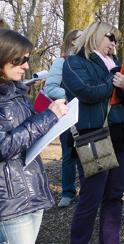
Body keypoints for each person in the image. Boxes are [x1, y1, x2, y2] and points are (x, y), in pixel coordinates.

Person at [62, 22, 124, 244]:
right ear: (95, 35)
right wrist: (113, 80)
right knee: (91, 198)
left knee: (115, 195)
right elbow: (87, 92)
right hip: (93, 136)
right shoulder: (75, 62)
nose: (114, 43)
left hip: (120, 134)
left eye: (117, 40)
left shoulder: (116, 63)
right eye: (110, 37)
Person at [0, 29, 68, 243]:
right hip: (10, 202)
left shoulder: (17, 92)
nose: (27, 66)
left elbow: (27, 133)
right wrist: (49, 117)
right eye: (20, 59)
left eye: (27, 59)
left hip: (32, 193)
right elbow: (3, 146)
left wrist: (55, 119)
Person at [43, 28, 82, 208]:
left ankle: (89, 191)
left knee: (87, 151)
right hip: (67, 115)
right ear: (72, 41)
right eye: (81, 37)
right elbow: (50, 89)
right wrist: (75, 94)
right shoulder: (61, 62)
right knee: (69, 154)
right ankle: (68, 192)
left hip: (87, 115)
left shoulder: (89, 61)